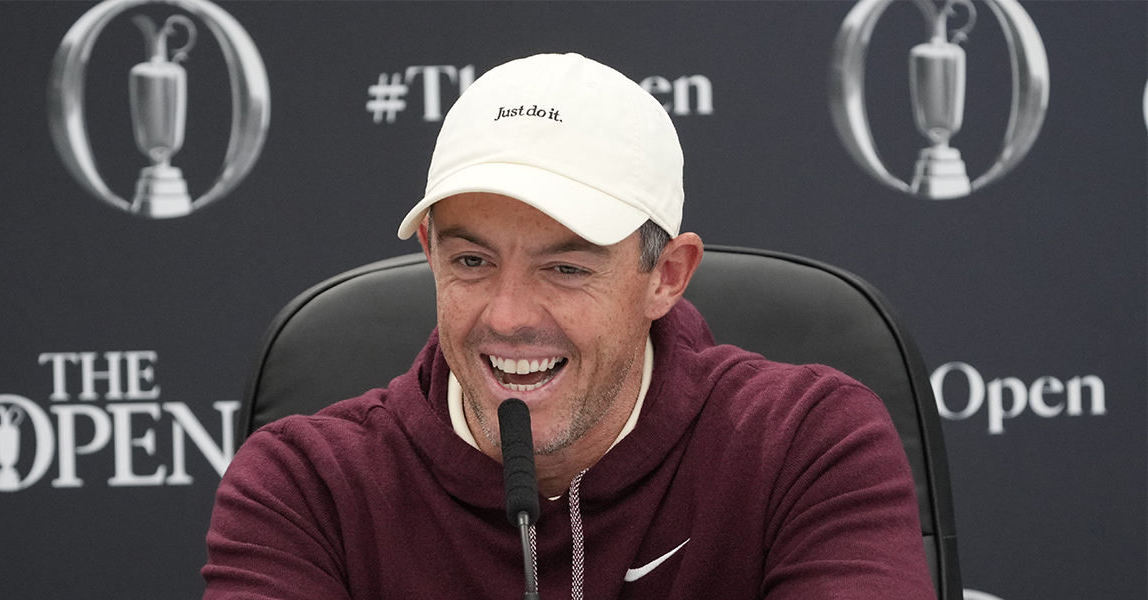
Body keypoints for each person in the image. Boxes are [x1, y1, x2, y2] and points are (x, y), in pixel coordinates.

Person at [202, 53, 935, 600]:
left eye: (567, 269)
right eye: (471, 260)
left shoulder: (806, 443)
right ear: (428, 254)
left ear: (667, 276)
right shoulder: (303, 487)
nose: (509, 316)